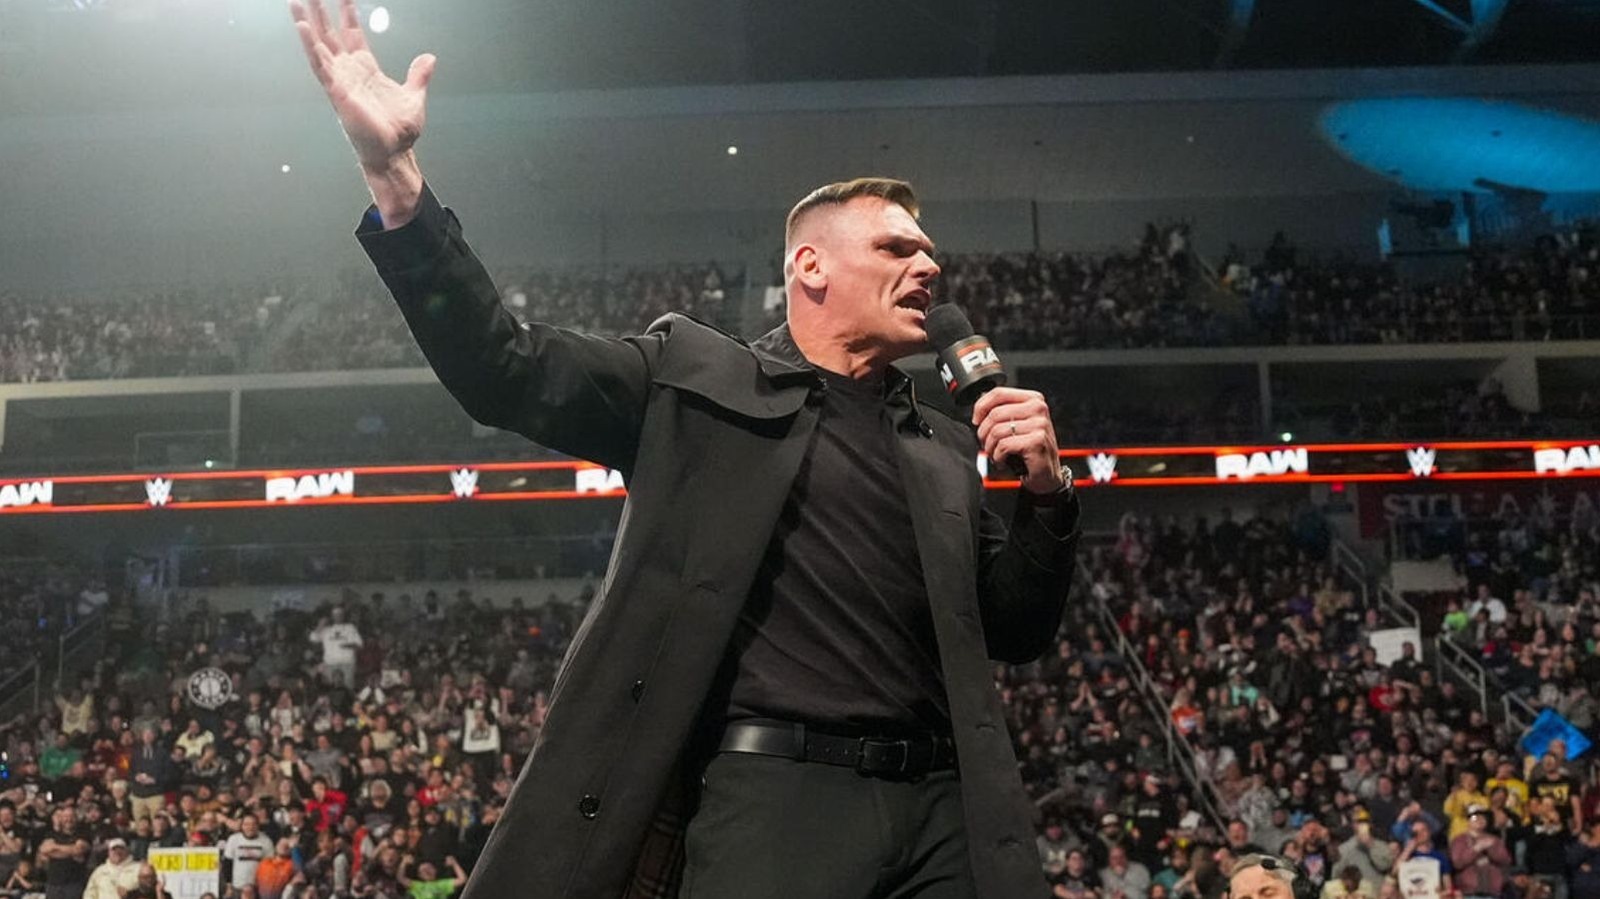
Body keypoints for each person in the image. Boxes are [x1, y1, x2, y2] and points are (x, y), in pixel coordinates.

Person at [287, 3, 1078, 898]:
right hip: (776, 797)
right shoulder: (695, 379)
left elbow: (1016, 629)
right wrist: (395, 178)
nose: (928, 266)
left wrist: (1047, 495)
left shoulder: (941, 444)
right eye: (898, 247)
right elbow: (506, 368)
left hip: (943, 809)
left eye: (930, 252)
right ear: (811, 266)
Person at [1447, 806, 1511, 899]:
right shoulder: (1459, 840)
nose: (1479, 820)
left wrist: (1491, 849)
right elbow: (1457, 863)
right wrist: (1476, 849)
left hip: (1492, 892)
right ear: (1468, 821)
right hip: (1468, 893)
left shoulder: (1494, 840)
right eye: (1475, 817)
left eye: (1483, 818)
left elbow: (1505, 860)